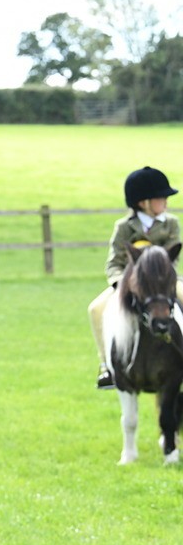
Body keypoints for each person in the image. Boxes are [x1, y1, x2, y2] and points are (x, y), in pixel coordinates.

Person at [89, 166, 183, 389]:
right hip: (129, 285)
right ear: (144, 202)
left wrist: (165, 279)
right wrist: (122, 284)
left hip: (163, 284)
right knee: (95, 309)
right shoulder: (123, 228)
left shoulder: (170, 223)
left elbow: (173, 258)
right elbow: (114, 262)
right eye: (161, 198)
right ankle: (106, 366)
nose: (166, 203)